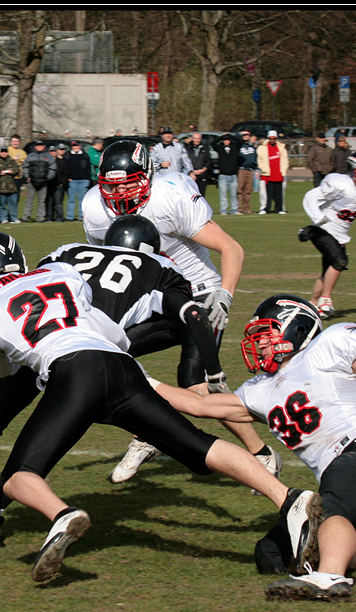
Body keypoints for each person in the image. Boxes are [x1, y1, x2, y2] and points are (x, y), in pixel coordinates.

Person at [0, 232, 323, 583]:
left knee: (19, 474)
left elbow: (5, 368)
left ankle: (62, 516)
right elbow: (109, 330)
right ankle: (288, 497)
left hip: (72, 374)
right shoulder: (58, 273)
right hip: (120, 366)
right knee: (198, 443)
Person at [0, 216, 250, 529]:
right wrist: (208, 375)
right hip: (95, 354)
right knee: (189, 412)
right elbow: (187, 318)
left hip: (30, 344)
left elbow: (5, 360)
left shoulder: (65, 255)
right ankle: (259, 449)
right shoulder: (155, 268)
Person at [151, 295, 356, 600]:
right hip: (337, 477)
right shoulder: (261, 388)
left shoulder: (327, 348)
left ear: (297, 328)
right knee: (271, 554)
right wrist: (136, 377)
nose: (259, 344)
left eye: (266, 333)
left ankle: (330, 578)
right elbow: (197, 404)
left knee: (327, 513)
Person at [81, 140, 271, 483]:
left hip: (200, 295)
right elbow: (108, 264)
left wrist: (224, 294)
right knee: (108, 358)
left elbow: (232, 247)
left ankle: (261, 453)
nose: (121, 191)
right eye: (112, 184)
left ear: (148, 176)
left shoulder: (172, 195)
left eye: (128, 181)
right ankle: (148, 433)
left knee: (195, 381)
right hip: (154, 298)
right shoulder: (94, 207)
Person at [298, 151, 356, 319]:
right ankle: (326, 300)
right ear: (355, 169)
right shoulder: (340, 183)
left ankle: (313, 304)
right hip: (323, 228)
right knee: (340, 261)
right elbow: (311, 196)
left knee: (327, 271)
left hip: (340, 234)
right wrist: (317, 218)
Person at [21, 140, 56, 222]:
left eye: (41, 145)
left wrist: (48, 178)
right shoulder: (30, 156)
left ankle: (40, 217)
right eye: (37, 145)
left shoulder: (48, 156)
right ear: (35, 147)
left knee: (42, 201)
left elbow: (53, 168)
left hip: (43, 182)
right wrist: (27, 177)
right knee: (29, 200)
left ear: (44, 146)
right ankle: (26, 216)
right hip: (31, 182)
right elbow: (25, 167)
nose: (39, 147)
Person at [258, 131, 287, 215]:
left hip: (278, 174)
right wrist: (263, 169)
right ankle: (265, 208)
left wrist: (283, 169)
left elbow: (285, 160)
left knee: (278, 193)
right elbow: (260, 160)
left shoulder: (281, 148)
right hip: (267, 174)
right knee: (266, 194)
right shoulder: (262, 148)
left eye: (274, 138)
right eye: (270, 138)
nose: (272, 140)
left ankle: (279, 208)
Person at [65, 141, 91, 221]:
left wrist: (87, 179)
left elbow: (88, 168)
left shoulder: (85, 155)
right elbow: (65, 168)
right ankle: (70, 216)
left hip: (83, 180)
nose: (75, 147)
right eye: (74, 146)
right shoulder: (68, 155)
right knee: (71, 199)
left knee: (82, 200)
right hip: (72, 180)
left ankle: (81, 216)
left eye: (77, 146)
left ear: (80, 146)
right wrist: (68, 177)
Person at [0, 147, 21, 224]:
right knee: (2, 204)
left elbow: (17, 169)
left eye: (5, 152)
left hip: (11, 186)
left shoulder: (11, 161)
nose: (4, 153)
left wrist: (12, 171)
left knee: (13, 203)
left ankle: (14, 218)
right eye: (2, 152)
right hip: (1, 186)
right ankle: (3, 218)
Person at [214, 134, 239, 215]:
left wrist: (231, 136)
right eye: (225, 140)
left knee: (233, 194)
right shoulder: (220, 148)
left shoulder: (235, 147)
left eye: (228, 139)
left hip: (233, 175)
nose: (226, 141)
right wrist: (221, 137)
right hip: (223, 175)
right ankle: (223, 210)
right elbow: (212, 143)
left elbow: (240, 140)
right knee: (223, 194)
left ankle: (234, 209)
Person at [45, 144, 68, 222]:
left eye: (54, 151)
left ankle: (59, 218)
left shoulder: (61, 161)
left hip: (58, 185)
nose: (52, 153)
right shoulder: (46, 161)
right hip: (49, 184)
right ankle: (49, 217)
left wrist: (62, 183)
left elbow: (65, 173)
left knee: (58, 202)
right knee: (49, 202)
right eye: (51, 151)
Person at [236, 130, 257, 215]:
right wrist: (240, 134)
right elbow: (235, 137)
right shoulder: (239, 145)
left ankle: (247, 208)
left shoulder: (252, 146)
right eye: (244, 135)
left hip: (250, 169)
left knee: (248, 190)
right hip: (241, 169)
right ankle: (239, 208)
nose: (246, 136)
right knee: (240, 189)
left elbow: (255, 157)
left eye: (248, 134)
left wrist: (256, 168)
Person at [185, 132, 212, 196]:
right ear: (192, 139)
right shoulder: (188, 148)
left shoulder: (205, 148)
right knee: (190, 195)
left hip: (202, 175)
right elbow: (185, 161)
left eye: (198, 138)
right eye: (195, 138)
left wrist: (202, 170)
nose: (197, 140)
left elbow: (208, 161)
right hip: (191, 175)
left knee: (201, 196)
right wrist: (191, 171)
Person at [7, 134, 27, 215]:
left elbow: (25, 159)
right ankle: (4, 216)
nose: (15, 143)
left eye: (17, 141)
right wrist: (17, 159)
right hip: (9, 178)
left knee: (16, 198)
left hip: (18, 178)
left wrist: (17, 159)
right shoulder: (8, 150)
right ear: (10, 142)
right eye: (13, 141)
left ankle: (12, 215)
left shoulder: (22, 152)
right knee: (7, 199)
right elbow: (9, 159)